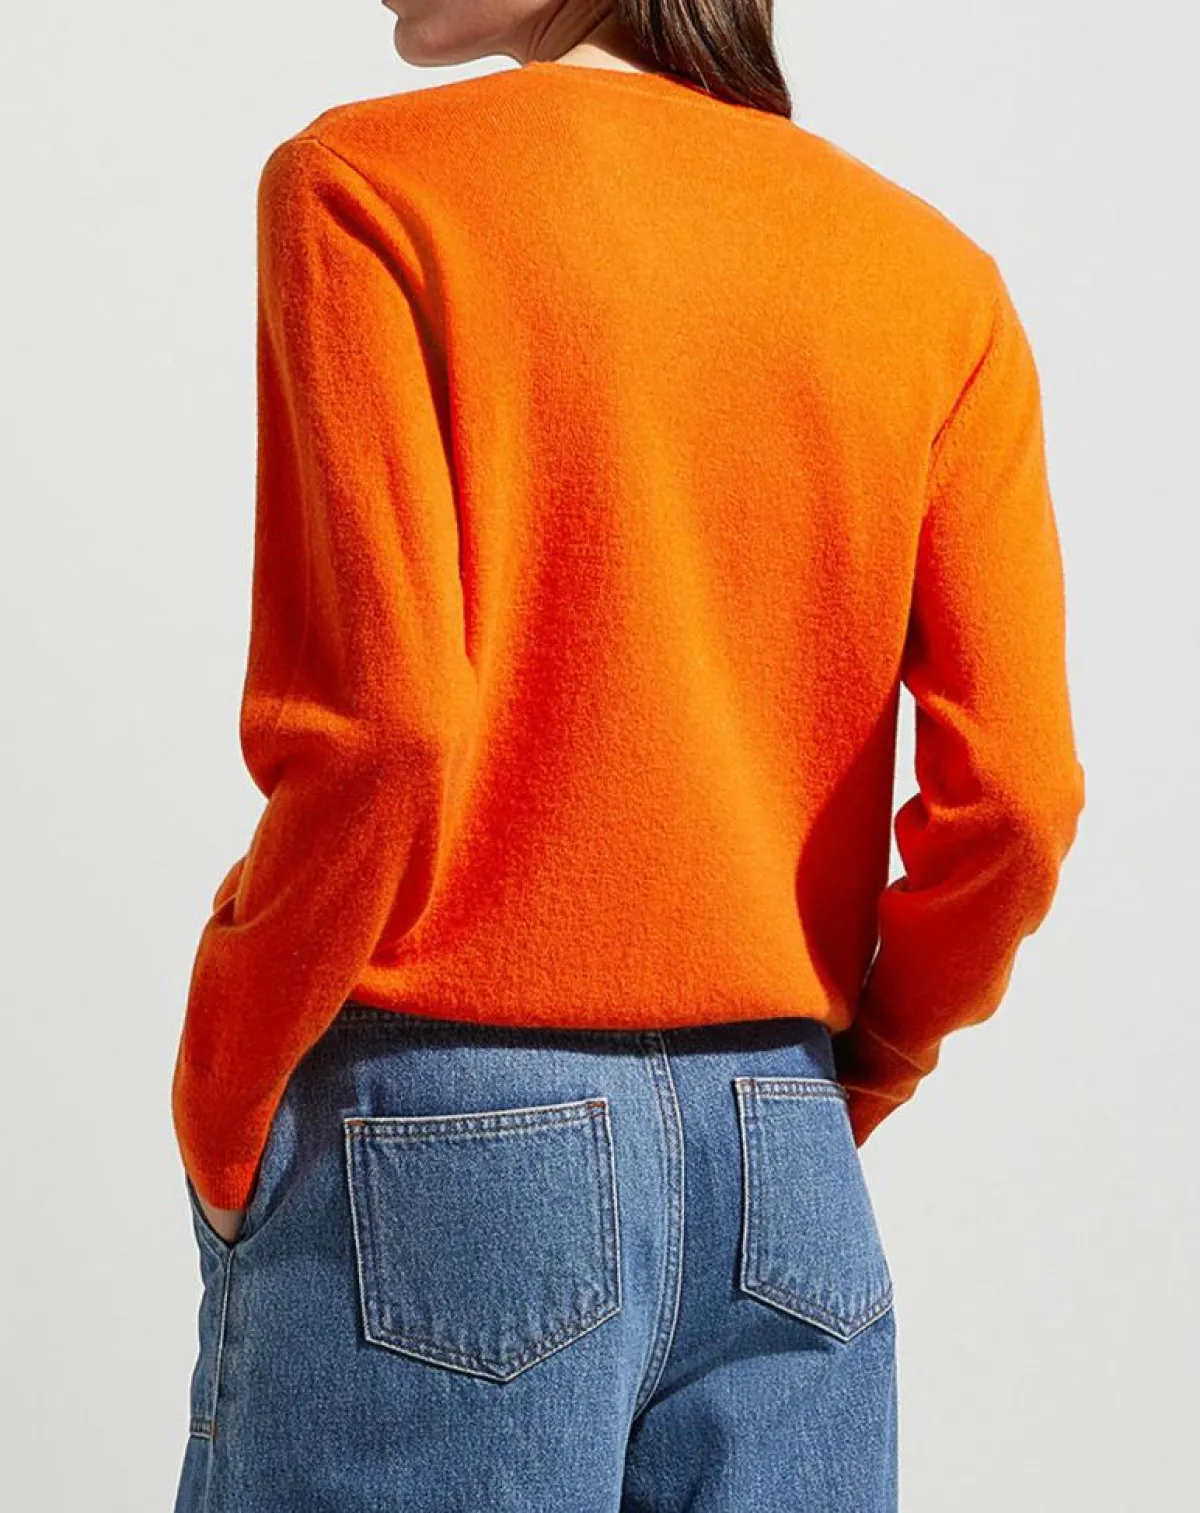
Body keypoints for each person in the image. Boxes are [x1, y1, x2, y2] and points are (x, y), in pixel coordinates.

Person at [169, 1, 1086, 1509]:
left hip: (443, 1136)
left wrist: (227, 1078)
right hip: (784, 1147)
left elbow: (387, 732)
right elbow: (1021, 800)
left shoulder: (368, 187)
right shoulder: (932, 277)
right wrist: (854, 1073)